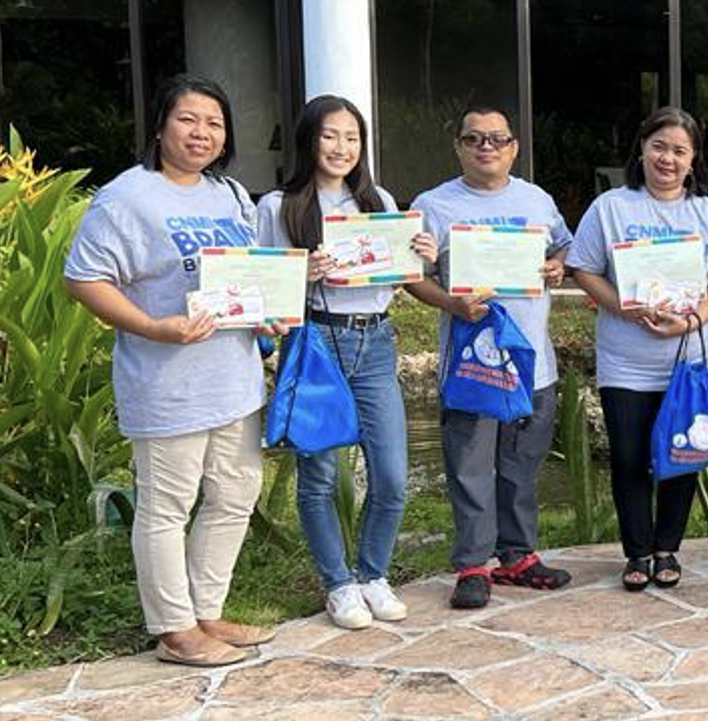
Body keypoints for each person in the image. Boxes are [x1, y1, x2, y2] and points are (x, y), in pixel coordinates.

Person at [63, 74, 283, 667]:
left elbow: (245, 277)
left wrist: (265, 316)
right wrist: (154, 327)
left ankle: (206, 610)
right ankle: (174, 629)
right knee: (167, 505)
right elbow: (83, 279)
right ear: (160, 125)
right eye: (188, 119)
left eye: (214, 123)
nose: (202, 133)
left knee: (235, 494)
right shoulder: (126, 198)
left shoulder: (231, 195)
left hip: (233, 381)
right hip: (166, 384)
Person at [255, 95, 437, 630]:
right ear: (309, 140)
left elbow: (401, 276)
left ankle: (373, 574)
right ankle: (338, 584)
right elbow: (265, 290)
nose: (341, 148)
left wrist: (420, 252)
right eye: (330, 136)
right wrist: (301, 274)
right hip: (316, 344)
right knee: (319, 475)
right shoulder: (277, 206)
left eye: (352, 138)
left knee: (392, 475)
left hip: (375, 342)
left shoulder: (377, 199)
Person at [566, 108, 708, 593]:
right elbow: (583, 269)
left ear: (693, 160)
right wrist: (622, 308)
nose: (668, 158)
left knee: (683, 452)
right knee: (627, 457)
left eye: (679, 151)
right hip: (626, 358)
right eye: (659, 147)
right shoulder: (610, 208)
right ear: (641, 149)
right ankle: (637, 551)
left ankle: (668, 547)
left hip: (694, 356)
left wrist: (694, 318)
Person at [408, 104, 574, 610]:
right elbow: (413, 277)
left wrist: (556, 267)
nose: (486, 147)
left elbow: (563, 251)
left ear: (513, 149)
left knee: (521, 463)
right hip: (473, 362)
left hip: (532, 362)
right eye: (475, 139)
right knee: (471, 466)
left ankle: (518, 555)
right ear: (458, 146)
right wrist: (452, 303)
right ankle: (474, 566)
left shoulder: (537, 199)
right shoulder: (433, 205)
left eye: (497, 139)